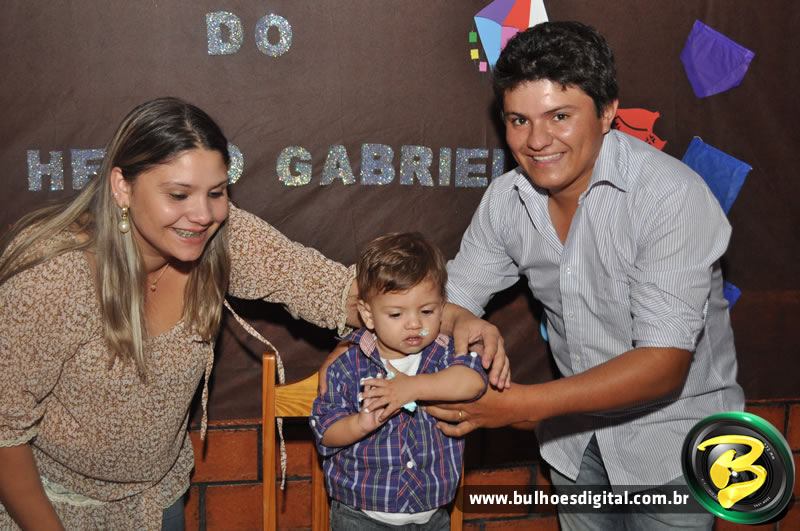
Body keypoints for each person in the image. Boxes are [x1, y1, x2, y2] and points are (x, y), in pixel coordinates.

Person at [0, 98, 502, 530]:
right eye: (178, 194)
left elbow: (335, 290)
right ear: (122, 187)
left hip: (158, 503)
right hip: (52, 508)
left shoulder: (222, 238)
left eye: (217, 192)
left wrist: (456, 319)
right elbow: (4, 435)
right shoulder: (55, 278)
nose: (203, 214)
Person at [426, 22, 744, 530]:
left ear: (608, 111)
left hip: (671, 448)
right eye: (519, 120)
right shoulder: (508, 200)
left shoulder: (668, 196)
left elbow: (663, 364)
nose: (537, 141)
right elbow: (450, 301)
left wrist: (522, 406)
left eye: (559, 116)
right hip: (574, 443)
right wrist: (463, 319)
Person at [311, 232, 488, 530]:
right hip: (360, 516)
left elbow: (473, 382)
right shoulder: (348, 366)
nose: (415, 324)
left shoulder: (445, 355)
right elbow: (325, 432)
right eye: (396, 314)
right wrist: (360, 424)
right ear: (368, 314)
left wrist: (412, 387)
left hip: (433, 515)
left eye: (427, 311)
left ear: (442, 307)